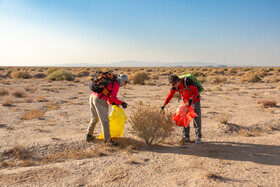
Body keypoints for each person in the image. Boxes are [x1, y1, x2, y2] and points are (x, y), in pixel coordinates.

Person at [86, 74, 130, 146]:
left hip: (92, 96)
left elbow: (108, 94)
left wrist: (113, 103)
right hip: (99, 99)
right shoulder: (116, 84)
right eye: (126, 82)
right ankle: (108, 141)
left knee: (94, 118)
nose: (125, 84)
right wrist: (122, 103)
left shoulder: (111, 81)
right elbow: (113, 97)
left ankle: (89, 135)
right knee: (105, 121)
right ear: (123, 81)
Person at [162, 75, 202, 144]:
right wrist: (164, 105)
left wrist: (191, 100)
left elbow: (195, 92)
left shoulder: (187, 82)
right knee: (184, 118)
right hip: (185, 102)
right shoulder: (175, 86)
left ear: (178, 81)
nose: (173, 86)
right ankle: (186, 137)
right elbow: (170, 95)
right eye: (171, 84)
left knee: (196, 118)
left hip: (195, 101)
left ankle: (198, 137)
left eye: (173, 84)